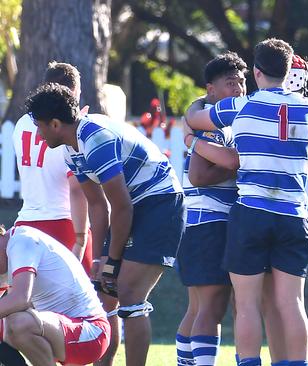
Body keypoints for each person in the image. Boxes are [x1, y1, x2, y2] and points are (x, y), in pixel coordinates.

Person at [184, 38, 308, 366]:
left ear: (256, 72)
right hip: (294, 215)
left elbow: (196, 119)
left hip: (251, 212)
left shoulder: (241, 105)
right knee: (292, 303)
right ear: (288, 72)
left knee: (247, 305)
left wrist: (193, 123)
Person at [25, 83, 185, 366]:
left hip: (160, 202)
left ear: (55, 123)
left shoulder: (95, 139)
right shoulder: (69, 148)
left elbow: (121, 206)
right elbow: (98, 207)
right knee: (104, 293)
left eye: (40, 126)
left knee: (130, 293)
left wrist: (112, 261)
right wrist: (99, 260)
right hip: (134, 205)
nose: (38, 135)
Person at [175, 51, 246, 366]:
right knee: (212, 307)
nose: (239, 89)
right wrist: (237, 168)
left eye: (242, 82)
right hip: (210, 221)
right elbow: (199, 175)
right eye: (231, 83)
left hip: (197, 221)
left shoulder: (202, 113)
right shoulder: (212, 122)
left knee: (197, 307)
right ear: (211, 89)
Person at [12, 61, 92, 272]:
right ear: (72, 93)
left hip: (26, 223)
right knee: (83, 303)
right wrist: (81, 238)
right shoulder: (68, 130)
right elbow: (77, 188)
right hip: (65, 224)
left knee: (29, 302)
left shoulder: (22, 123)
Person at [0, 225, 110, 365]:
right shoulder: (5, 254)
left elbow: (20, 299)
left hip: (91, 332)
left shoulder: (21, 241)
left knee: (18, 322)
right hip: (59, 331)